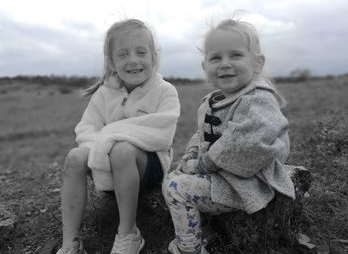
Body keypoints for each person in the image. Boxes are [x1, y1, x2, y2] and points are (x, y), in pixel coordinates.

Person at [162, 17, 296, 254]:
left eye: (235, 55)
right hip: (223, 175)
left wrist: (200, 165)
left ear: (257, 63)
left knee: (176, 187)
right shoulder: (212, 100)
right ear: (205, 67)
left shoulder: (258, 100)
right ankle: (206, 229)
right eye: (216, 58)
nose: (225, 64)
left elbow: (243, 145)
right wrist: (190, 155)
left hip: (248, 182)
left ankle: (188, 248)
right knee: (173, 176)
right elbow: (201, 133)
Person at [56, 19, 180, 254]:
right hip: (105, 166)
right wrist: (101, 150)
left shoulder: (165, 91)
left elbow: (161, 132)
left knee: (121, 149)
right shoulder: (105, 93)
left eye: (141, 52)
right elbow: (87, 128)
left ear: (154, 56)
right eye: (123, 55)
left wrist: (110, 138)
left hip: (148, 167)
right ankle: (70, 243)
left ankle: (128, 233)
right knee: (74, 157)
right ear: (111, 63)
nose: (133, 60)